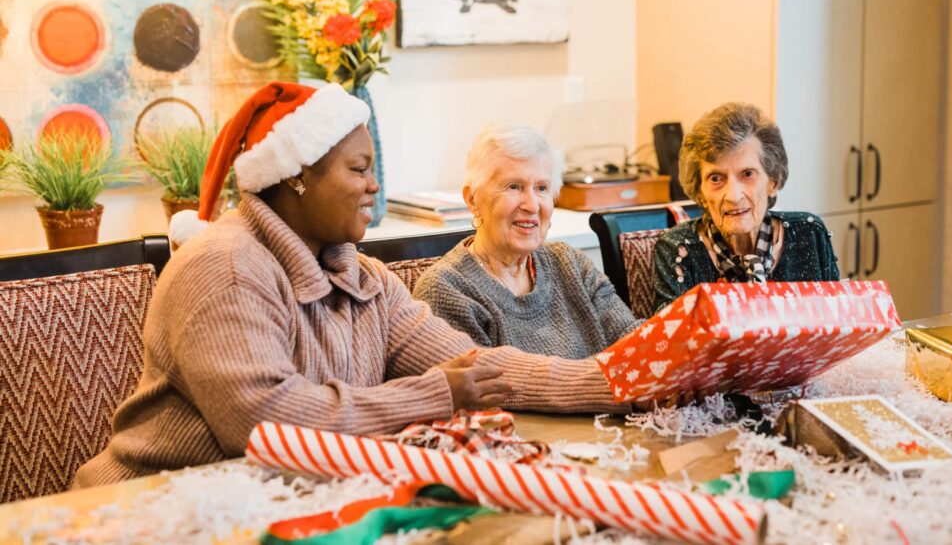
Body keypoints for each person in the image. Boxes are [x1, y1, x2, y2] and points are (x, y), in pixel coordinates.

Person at [74, 83, 625, 488]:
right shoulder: (227, 267)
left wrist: (630, 381)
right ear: (295, 174)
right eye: (358, 169)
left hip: (280, 504)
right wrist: (437, 392)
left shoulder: (365, 277)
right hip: (151, 509)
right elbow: (266, 426)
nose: (374, 184)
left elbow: (480, 366)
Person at [414, 124, 639, 358]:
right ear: (472, 199)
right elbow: (491, 390)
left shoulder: (571, 264)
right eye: (514, 187)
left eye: (541, 188)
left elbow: (636, 342)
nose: (532, 205)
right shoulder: (446, 291)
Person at [652, 102, 840, 313]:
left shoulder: (809, 233)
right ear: (700, 192)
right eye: (716, 178)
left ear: (773, 181)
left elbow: (841, 322)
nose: (733, 195)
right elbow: (671, 341)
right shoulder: (678, 249)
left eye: (747, 174)